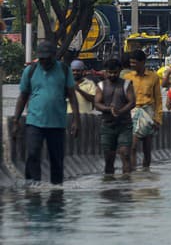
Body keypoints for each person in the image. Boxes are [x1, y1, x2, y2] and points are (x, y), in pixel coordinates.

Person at [12, 41, 80, 185]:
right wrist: (16, 120)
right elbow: (22, 96)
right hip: (34, 121)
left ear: (54, 56)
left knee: (57, 158)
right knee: (32, 154)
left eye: (47, 58)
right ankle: (32, 185)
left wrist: (76, 120)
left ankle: (57, 189)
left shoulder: (63, 70)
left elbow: (72, 97)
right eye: (41, 58)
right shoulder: (29, 71)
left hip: (57, 123)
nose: (44, 61)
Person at [95, 58, 135, 175]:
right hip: (107, 126)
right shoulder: (101, 86)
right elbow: (97, 103)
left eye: (115, 72)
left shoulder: (127, 84)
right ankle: (109, 186)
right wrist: (109, 109)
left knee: (125, 154)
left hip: (124, 125)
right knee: (108, 158)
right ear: (105, 72)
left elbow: (132, 102)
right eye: (109, 72)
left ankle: (127, 184)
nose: (112, 75)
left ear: (120, 71)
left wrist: (120, 111)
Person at [126, 50, 163, 170]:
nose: (132, 65)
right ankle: (133, 172)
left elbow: (158, 99)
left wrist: (158, 118)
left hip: (148, 113)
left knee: (147, 148)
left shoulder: (154, 77)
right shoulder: (128, 77)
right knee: (132, 145)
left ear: (142, 62)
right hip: (132, 113)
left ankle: (146, 172)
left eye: (134, 63)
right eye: (130, 63)